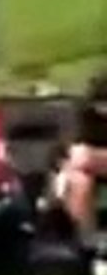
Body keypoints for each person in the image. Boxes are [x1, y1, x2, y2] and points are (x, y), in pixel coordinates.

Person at [56, 71, 107, 257]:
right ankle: (89, 243)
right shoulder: (82, 117)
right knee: (81, 180)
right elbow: (77, 157)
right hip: (72, 172)